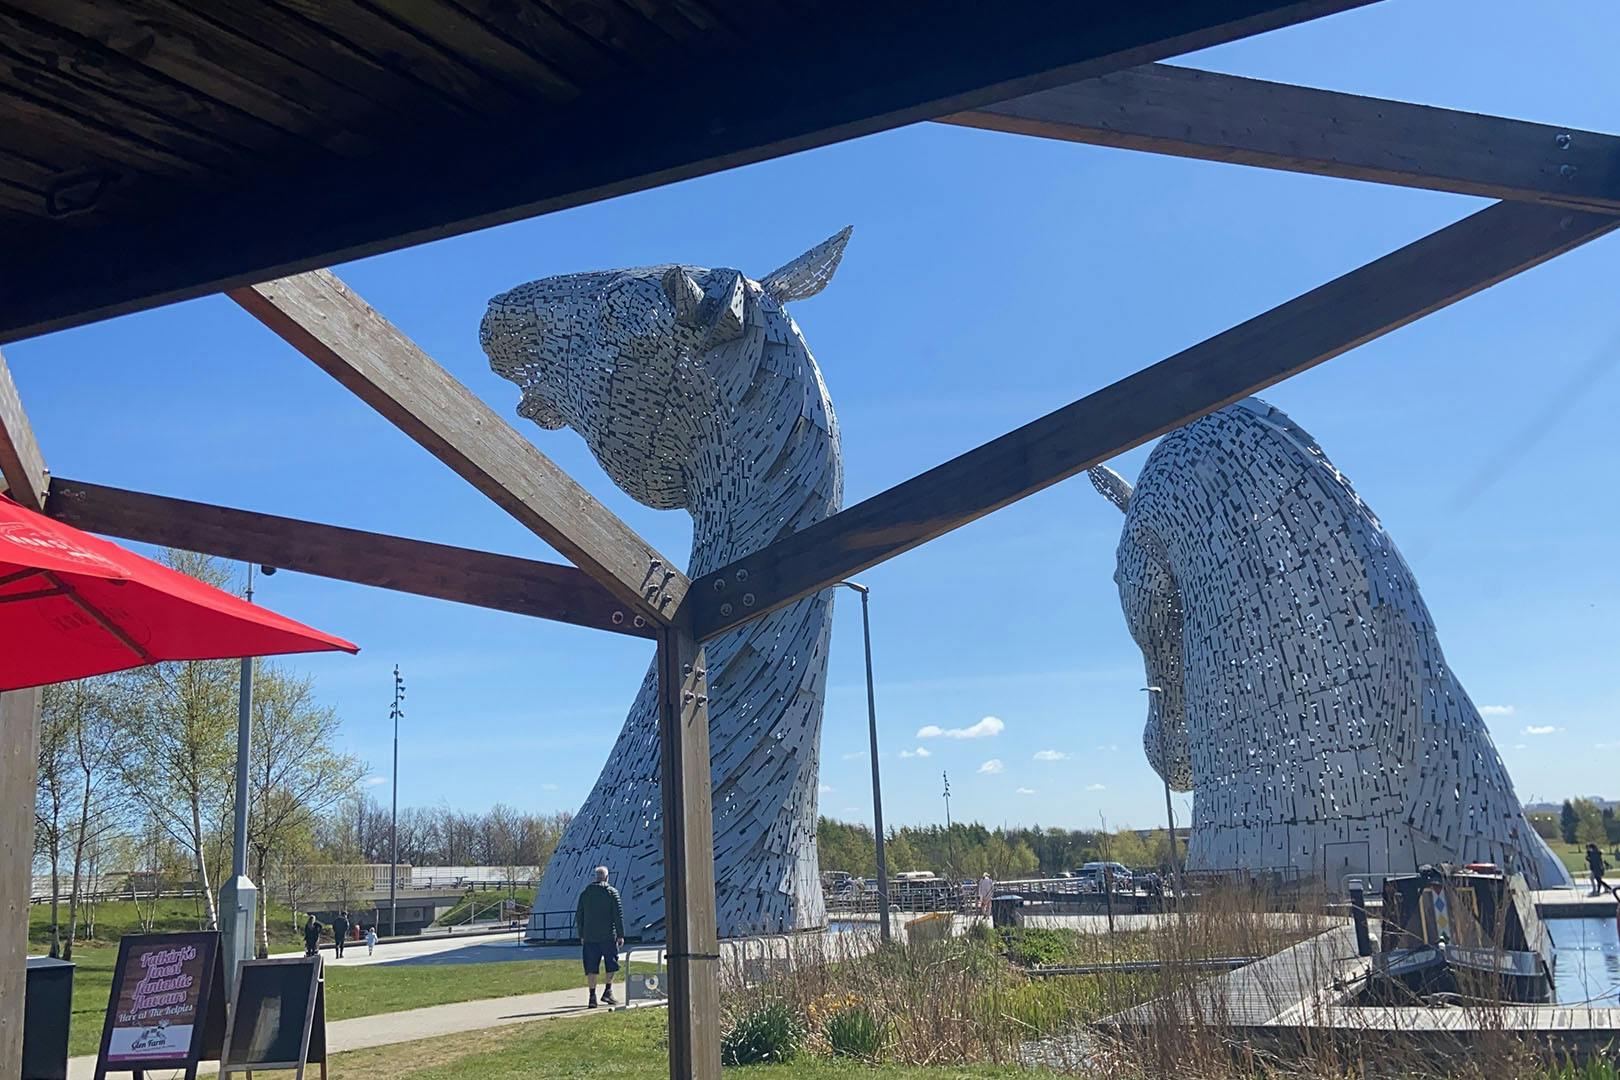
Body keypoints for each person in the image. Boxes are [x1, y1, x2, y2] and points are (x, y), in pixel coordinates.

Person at [575, 866, 625, 1009]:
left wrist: (582, 934)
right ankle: (608, 990)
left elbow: (579, 915)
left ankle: (592, 996)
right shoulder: (612, 892)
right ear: (607, 877)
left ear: (595, 877)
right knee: (611, 964)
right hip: (608, 936)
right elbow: (618, 915)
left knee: (591, 967)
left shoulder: (585, 893)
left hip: (590, 937)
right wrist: (620, 934)